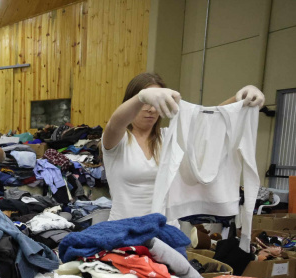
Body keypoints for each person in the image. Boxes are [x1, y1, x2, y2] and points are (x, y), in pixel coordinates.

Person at [102, 73, 265, 221]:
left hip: (164, 232)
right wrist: (141, 97)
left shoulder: (169, 138)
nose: (151, 109)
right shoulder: (118, 141)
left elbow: (208, 121)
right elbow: (115, 123)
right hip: (124, 233)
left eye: (155, 104)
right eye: (146, 103)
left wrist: (240, 100)